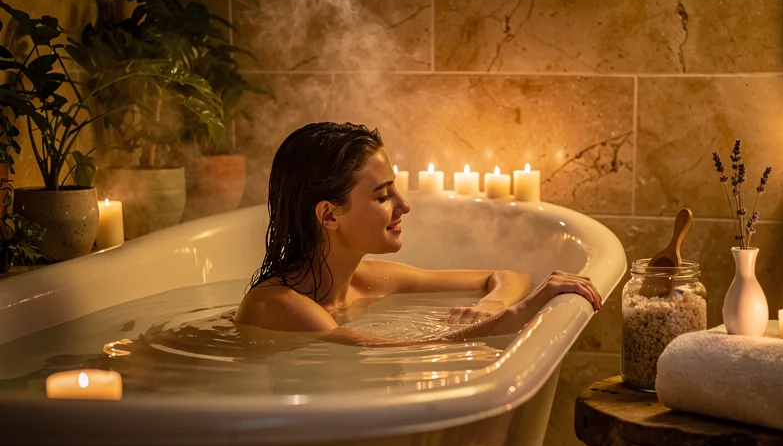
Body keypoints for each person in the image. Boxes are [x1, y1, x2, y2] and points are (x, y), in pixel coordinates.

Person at [233, 122, 603, 346]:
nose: (404, 205)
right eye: (382, 195)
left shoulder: (370, 280)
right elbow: (409, 349)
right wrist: (521, 312)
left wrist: (491, 303)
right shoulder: (278, 306)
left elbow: (509, 276)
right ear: (329, 215)